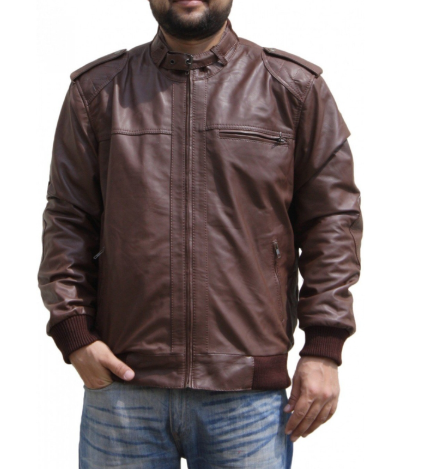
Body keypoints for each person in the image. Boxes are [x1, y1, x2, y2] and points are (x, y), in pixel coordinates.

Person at [37, 1, 363, 467]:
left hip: (247, 396)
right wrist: (75, 336)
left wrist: (324, 348)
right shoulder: (98, 92)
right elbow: (67, 220)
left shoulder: (292, 89)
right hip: (123, 390)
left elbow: (333, 221)